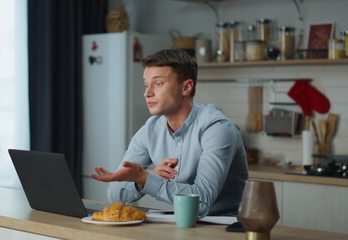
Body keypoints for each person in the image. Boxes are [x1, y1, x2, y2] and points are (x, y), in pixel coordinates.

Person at [92, 49, 248, 216]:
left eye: (158, 83)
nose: (147, 93)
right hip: (182, 224)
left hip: (225, 228)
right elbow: (115, 195)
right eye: (146, 85)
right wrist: (141, 181)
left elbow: (202, 202)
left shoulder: (217, 128)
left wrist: (147, 179)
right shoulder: (149, 130)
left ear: (186, 87)